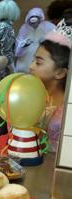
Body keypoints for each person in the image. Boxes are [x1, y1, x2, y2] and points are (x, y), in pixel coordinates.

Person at [29, 20, 71, 152]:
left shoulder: (68, 108)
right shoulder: (30, 96)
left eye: (38, 63)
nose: (30, 67)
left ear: (60, 72)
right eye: (32, 60)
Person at [14, 8, 55, 73]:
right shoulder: (24, 28)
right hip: (24, 63)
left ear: (41, 17)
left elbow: (56, 43)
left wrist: (46, 42)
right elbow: (17, 51)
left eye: (36, 17)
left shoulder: (49, 27)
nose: (33, 19)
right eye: (31, 17)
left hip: (42, 60)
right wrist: (23, 45)